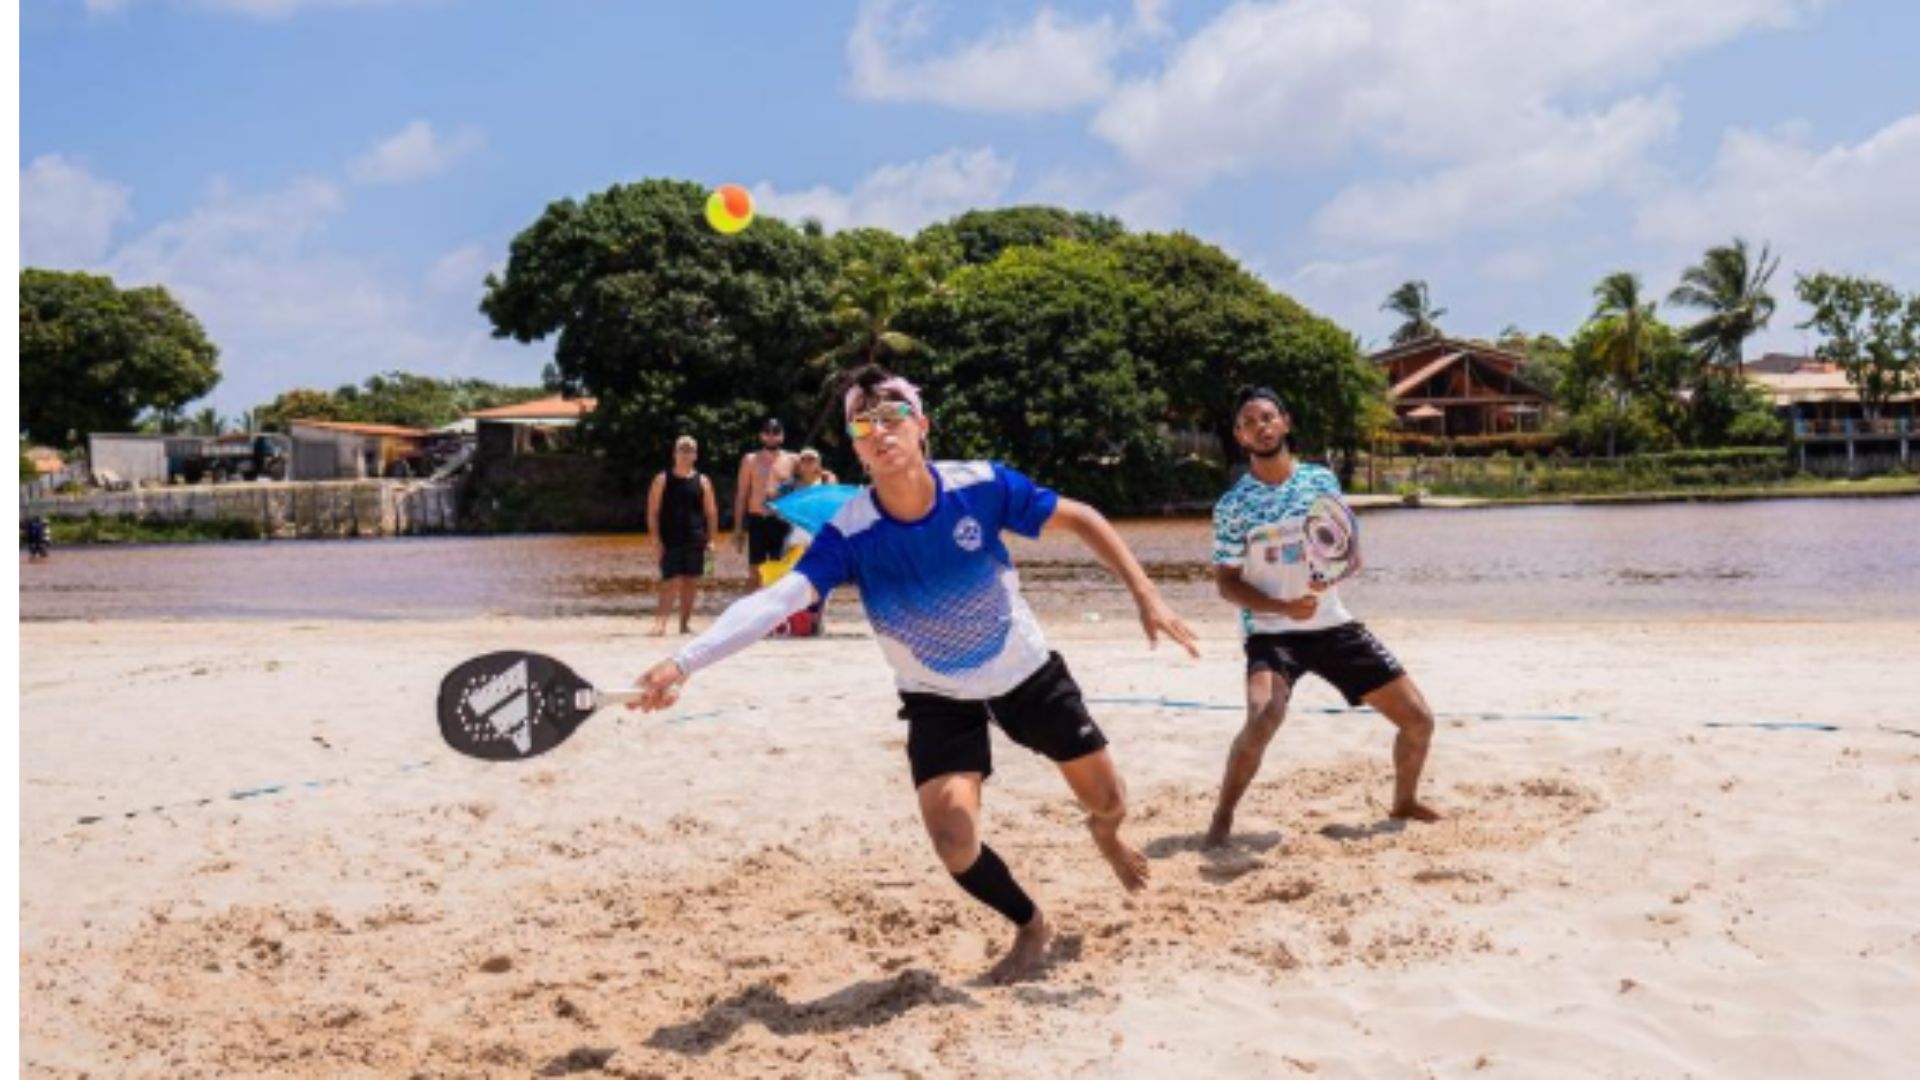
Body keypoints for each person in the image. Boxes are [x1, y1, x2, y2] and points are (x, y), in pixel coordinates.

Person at [631, 365, 1200, 983]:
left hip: (1023, 670)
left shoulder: (980, 486)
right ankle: (1032, 923)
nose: (879, 431)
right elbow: (776, 600)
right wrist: (684, 661)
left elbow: (1083, 516)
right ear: (855, 447)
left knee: (1109, 801)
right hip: (936, 693)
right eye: (863, 423)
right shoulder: (850, 531)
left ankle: (1106, 835)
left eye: (892, 416)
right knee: (955, 840)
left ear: (922, 425)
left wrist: (1148, 596)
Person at [1204, 386, 1440, 849]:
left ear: (1285, 422)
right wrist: (1282, 607)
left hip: (1332, 625)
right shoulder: (1233, 507)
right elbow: (1227, 583)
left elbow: (1346, 550)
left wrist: (1338, 571)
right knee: (1262, 718)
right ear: (1239, 435)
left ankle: (1404, 802)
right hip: (1272, 635)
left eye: (1268, 417)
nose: (1261, 426)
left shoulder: (1320, 482)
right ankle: (1222, 818)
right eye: (1250, 422)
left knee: (1419, 720)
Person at [646, 436, 720, 636]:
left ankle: (684, 624)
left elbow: (711, 513)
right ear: (675, 453)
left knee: (690, 582)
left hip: (696, 537)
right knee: (670, 581)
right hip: (670, 538)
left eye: (690, 450)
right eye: (682, 450)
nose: (686, 454)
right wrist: (655, 540)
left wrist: (712, 540)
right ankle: (660, 624)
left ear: (695, 455)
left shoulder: (703, 481)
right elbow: (652, 512)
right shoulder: (662, 479)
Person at [733, 417, 798, 587]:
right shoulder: (750, 460)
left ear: (782, 436)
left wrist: (828, 477)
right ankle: (754, 611)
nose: (771, 436)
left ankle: (780, 612)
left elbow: (813, 477)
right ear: (761, 436)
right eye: (767, 432)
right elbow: (741, 495)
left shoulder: (793, 460)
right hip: (757, 519)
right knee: (755, 571)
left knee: (781, 570)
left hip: (782, 520)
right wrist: (738, 528)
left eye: (776, 432)